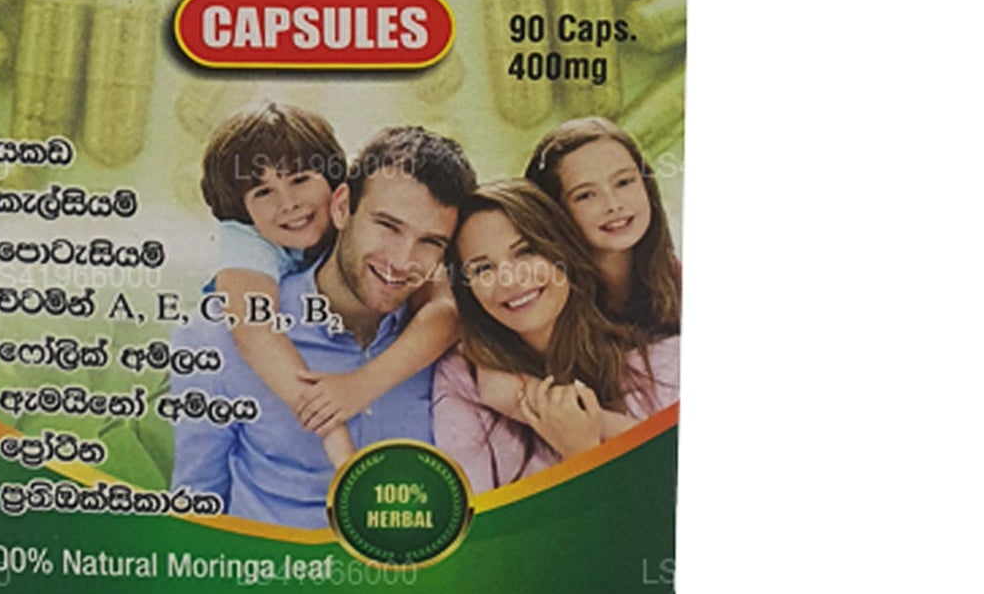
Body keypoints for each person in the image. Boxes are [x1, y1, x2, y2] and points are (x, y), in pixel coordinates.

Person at [172, 126, 474, 527]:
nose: (402, 260)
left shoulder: (455, 341)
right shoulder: (221, 336)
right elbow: (195, 510)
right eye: (388, 226)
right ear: (342, 206)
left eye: (430, 242)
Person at [433, 180, 680, 493]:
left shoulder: (667, 364)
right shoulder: (462, 380)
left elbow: (664, 509)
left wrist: (578, 440)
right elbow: (473, 517)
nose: (510, 280)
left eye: (525, 252)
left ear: (563, 251)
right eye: (483, 269)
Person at [524, 116, 682, 333]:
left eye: (624, 182)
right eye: (586, 195)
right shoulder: (540, 304)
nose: (613, 205)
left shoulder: (677, 280)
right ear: (554, 210)